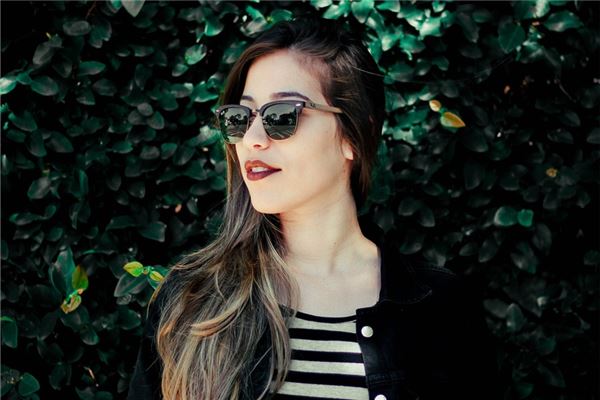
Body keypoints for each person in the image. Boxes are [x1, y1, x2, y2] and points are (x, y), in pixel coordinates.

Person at [127, 16, 498, 400]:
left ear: (353, 135)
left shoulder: (442, 309)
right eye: (240, 118)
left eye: (281, 116)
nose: (252, 139)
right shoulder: (191, 300)